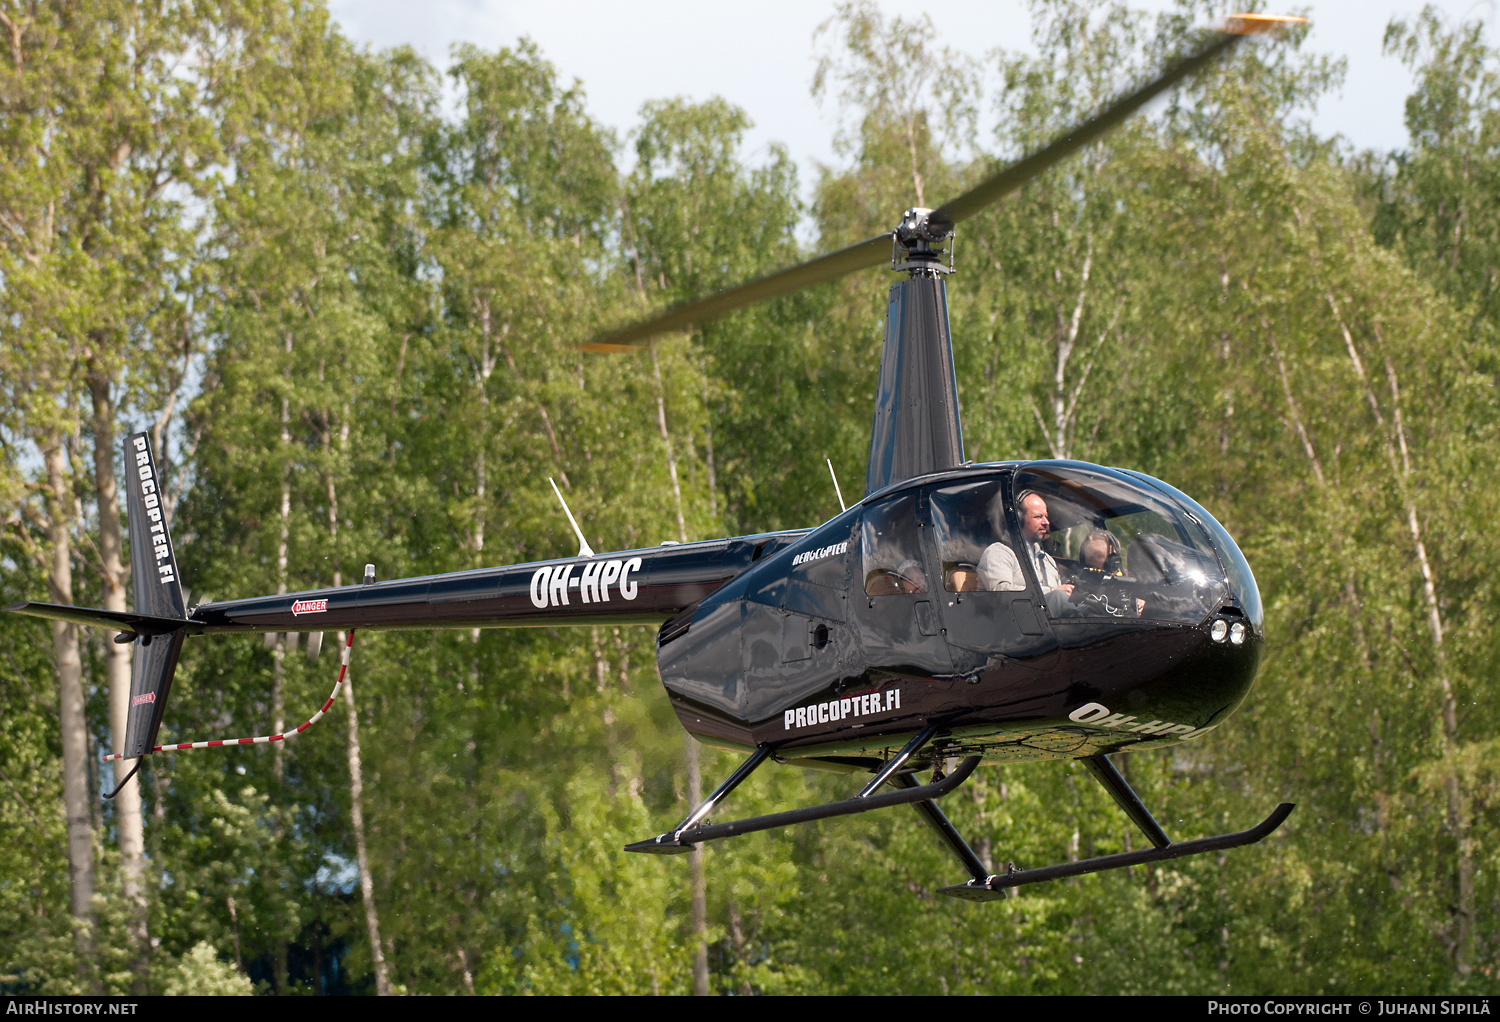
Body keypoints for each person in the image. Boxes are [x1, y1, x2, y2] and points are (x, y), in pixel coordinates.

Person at [977, 491, 1075, 599]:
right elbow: (1001, 592)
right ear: (1018, 519)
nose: (1046, 522)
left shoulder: (1048, 561)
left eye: (1046, 517)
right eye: (1038, 517)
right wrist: (1051, 592)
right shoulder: (998, 552)